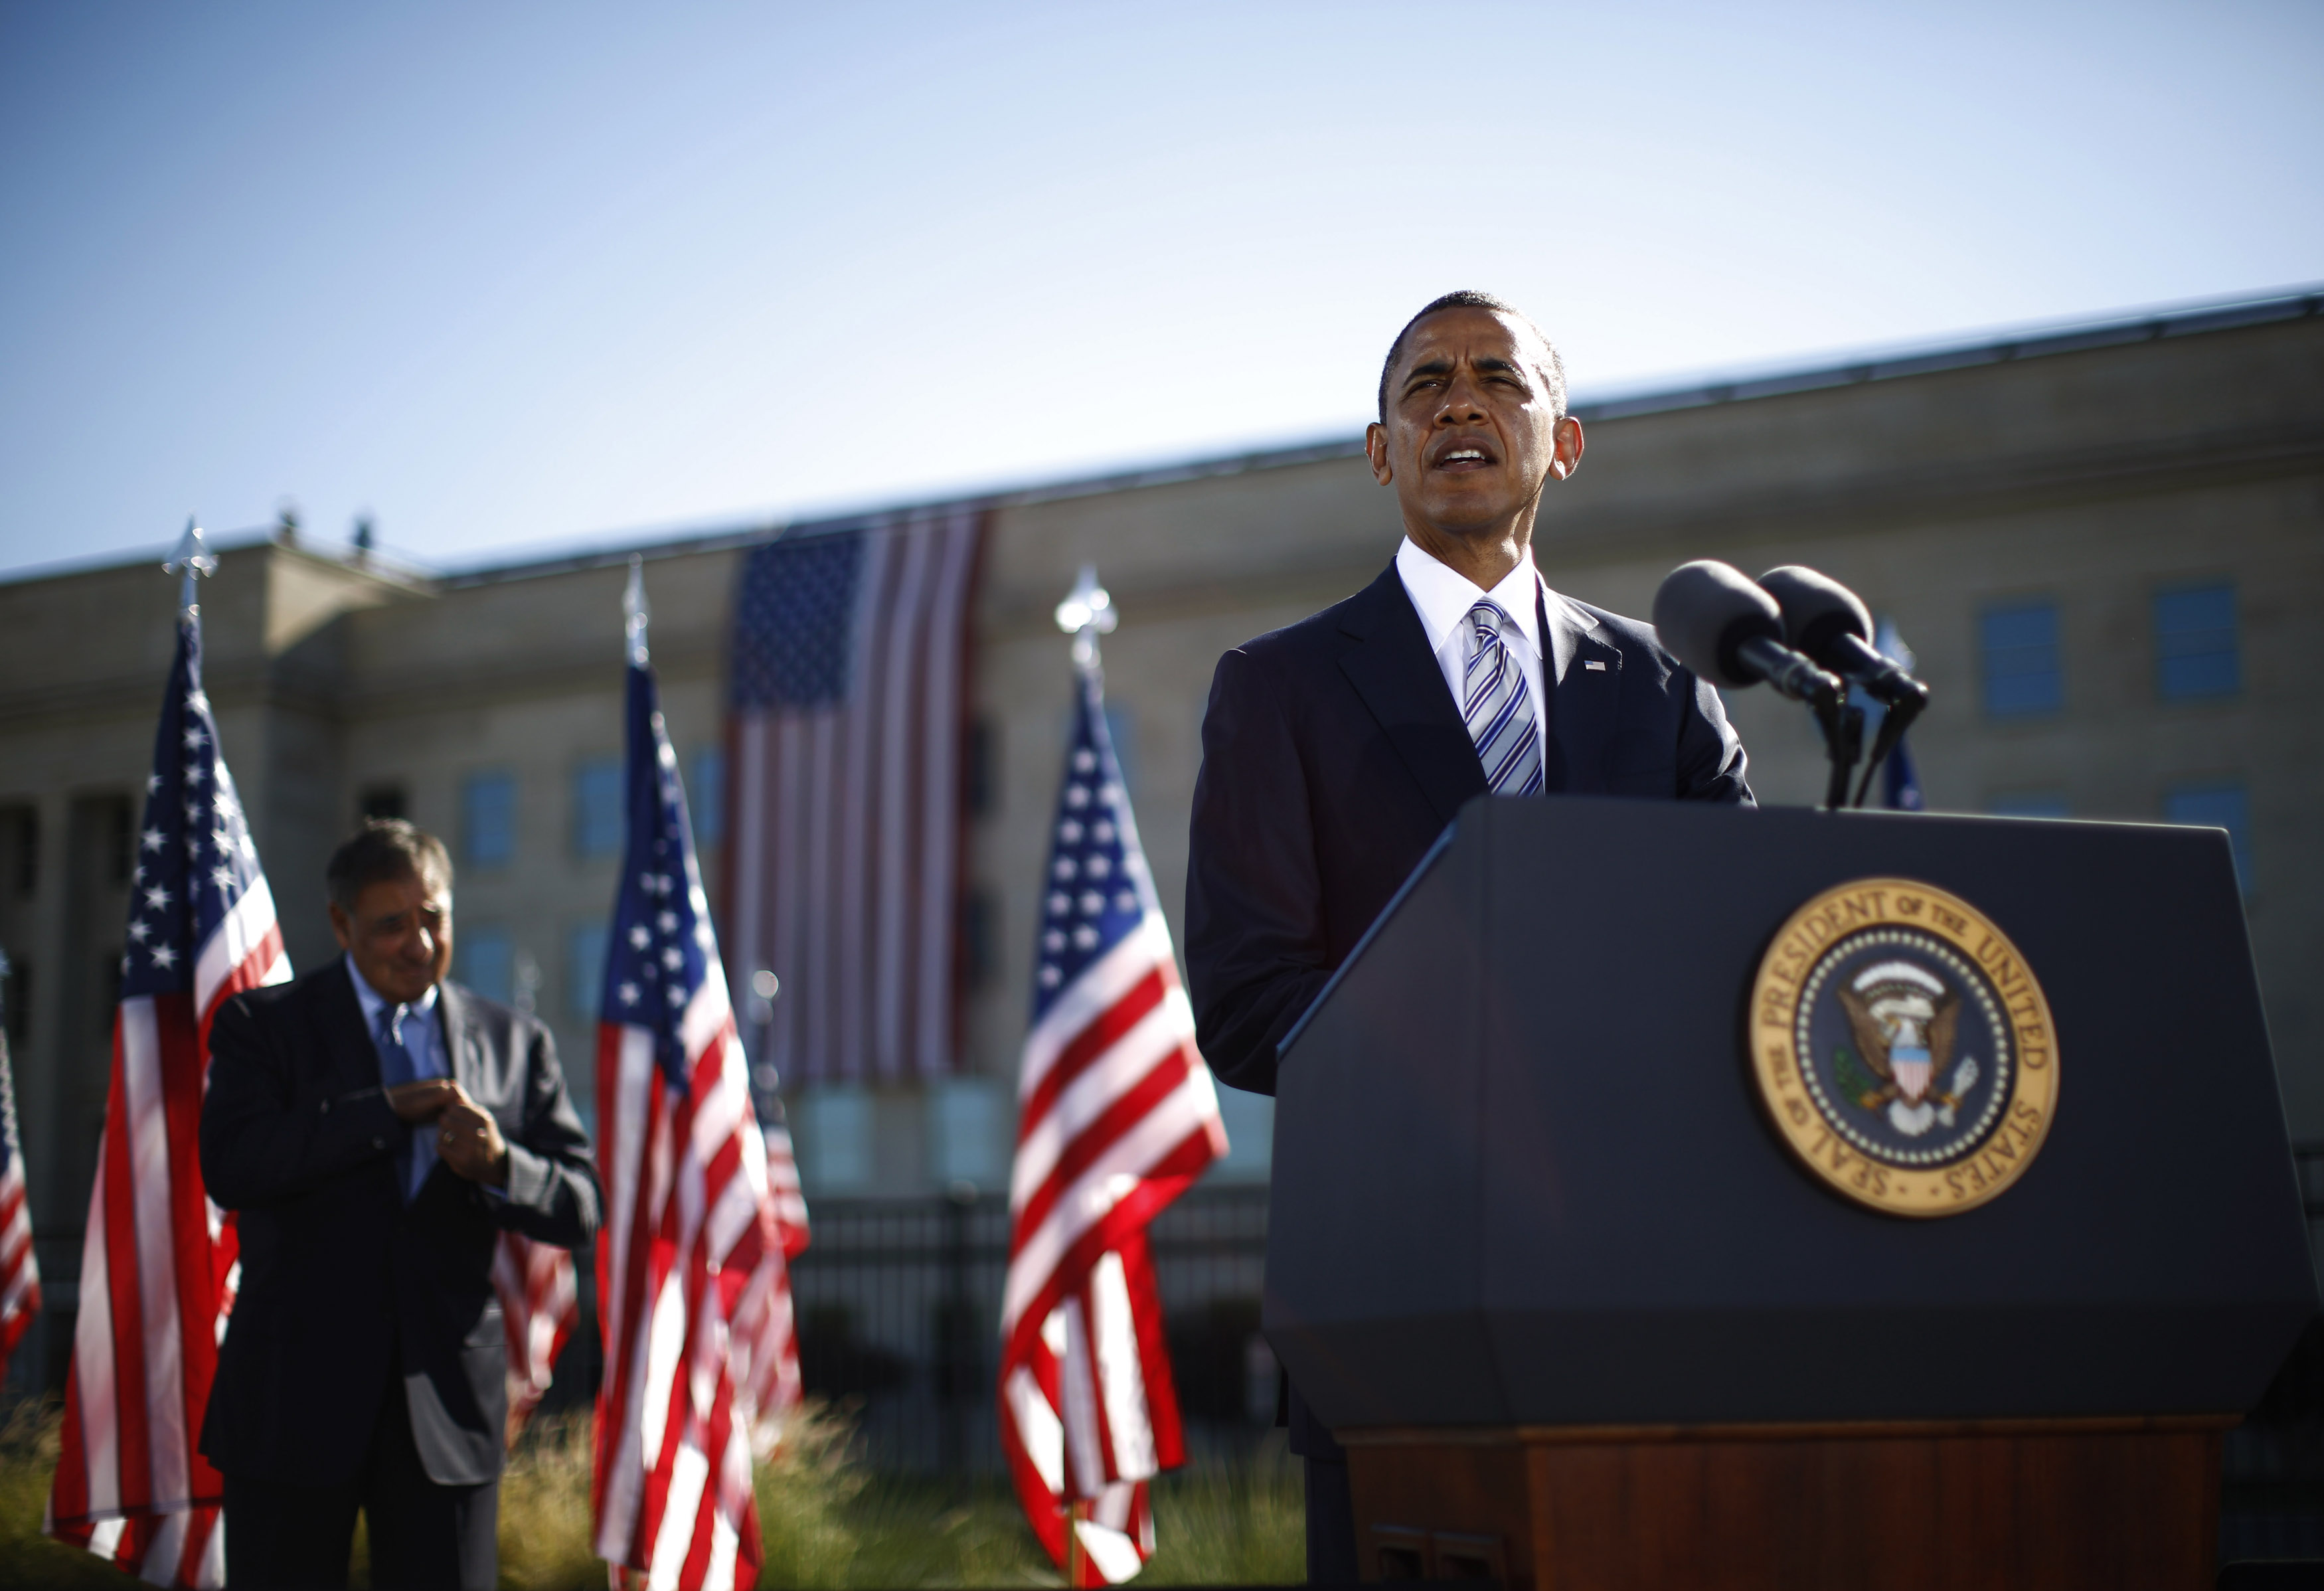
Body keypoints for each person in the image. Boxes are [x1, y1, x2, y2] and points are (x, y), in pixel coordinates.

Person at [1185, 290, 1753, 1581]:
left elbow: (1738, 955)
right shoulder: (1276, 689)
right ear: (1380, 449)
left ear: (1561, 439)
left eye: (1498, 376)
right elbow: (1245, 993)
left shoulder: (1668, 696)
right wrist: (1488, 1052)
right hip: (1400, 1304)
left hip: (1650, 1296)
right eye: (1422, 383)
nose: (1458, 401)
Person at [199, 819, 600, 1590]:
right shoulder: (264, 1026)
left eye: (434, 918)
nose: (418, 942)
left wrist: (499, 1164)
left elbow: (581, 1203)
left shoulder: (515, 1042)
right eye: (391, 924)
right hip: (293, 1406)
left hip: (448, 1414)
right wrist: (383, 1110)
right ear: (341, 923)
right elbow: (235, 1165)